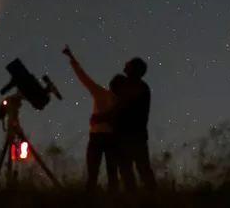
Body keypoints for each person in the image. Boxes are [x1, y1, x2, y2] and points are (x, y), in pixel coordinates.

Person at [95, 57, 158, 191]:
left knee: (132, 170)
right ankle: (149, 198)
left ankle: (142, 198)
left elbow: (123, 106)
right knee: (135, 169)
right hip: (135, 136)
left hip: (130, 136)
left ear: (133, 69)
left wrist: (103, 118)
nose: (125, 65)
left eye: (128, 64)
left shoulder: (136, 88)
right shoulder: (140, 87)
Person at [62, 44, 119, 191]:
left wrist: (71, 58)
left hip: (97, 136)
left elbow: (83, 77)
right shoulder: (122, 102)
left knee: (93, 173)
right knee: (112, 173)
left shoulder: (100, 92)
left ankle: (89, 199)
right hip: (112, 137)